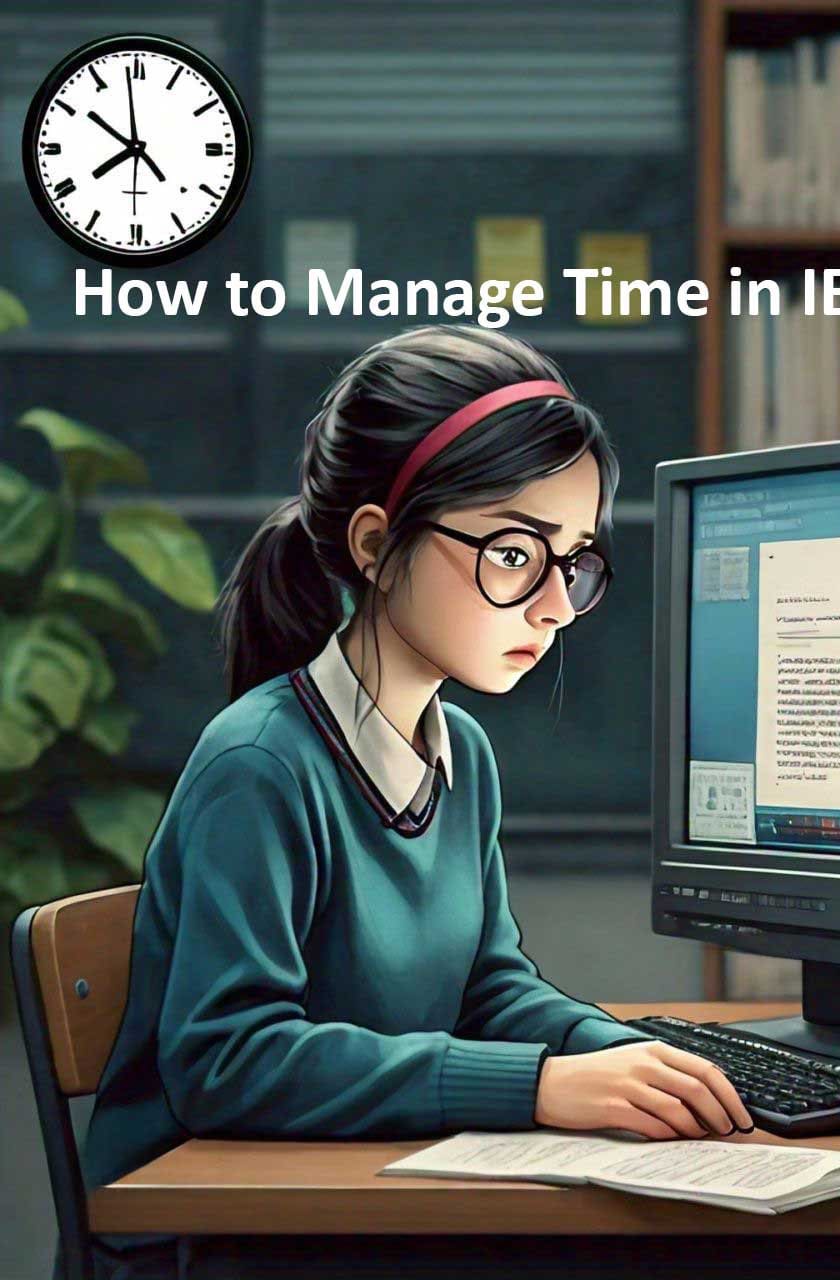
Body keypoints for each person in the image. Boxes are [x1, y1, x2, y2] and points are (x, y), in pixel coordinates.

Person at [81, 325, 751, 1279]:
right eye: (515, 553)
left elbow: (489, 987)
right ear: (374, 543)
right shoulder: (261, 765)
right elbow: (228, 1060)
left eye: (577, 561)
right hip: (222, 1241)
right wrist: (540, 1087)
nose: (556, 605)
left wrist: (619, 1055)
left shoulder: (460, 755)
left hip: (357, 1202)